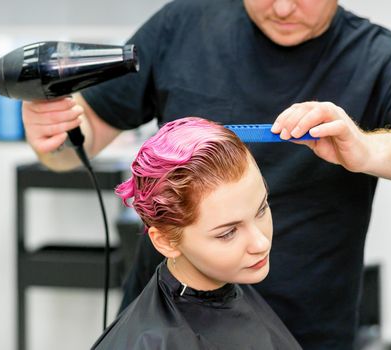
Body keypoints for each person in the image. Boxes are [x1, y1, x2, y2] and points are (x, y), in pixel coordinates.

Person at [22, 0, 391, 348]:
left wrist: (369, 147)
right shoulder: (183, 24)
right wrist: (56, 135)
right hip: (170, 320)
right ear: (163, 235)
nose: (282, 8)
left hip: (305, 332)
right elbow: (78, 142)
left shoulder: (379, 58)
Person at [91, 116, 302, 349]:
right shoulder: (151, 341)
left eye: (261, 209)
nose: (261, 243)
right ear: (166, 241)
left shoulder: (230, 285)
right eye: (228, 233)